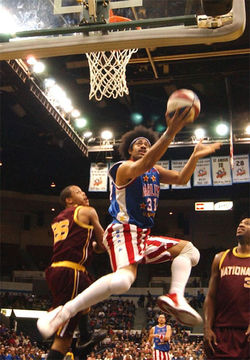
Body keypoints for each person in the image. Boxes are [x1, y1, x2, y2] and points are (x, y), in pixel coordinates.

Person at [37, 106, 221, 338]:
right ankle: (63, 312)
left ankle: (175, 295)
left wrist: (194, 156)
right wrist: (170, 132)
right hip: (122, 231)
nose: (143, 145)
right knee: (124, 281)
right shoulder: (122, 169)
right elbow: (142, 165)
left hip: (142, 235)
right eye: (139, 144)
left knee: (190, 251)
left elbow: (182, 178)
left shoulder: (153, 170)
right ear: (129, 150)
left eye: (146, 142)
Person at [38, 185, 106, 360]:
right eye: (78, 192)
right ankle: (61, 326)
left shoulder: (57, 218)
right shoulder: (87, 211)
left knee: (86, 297)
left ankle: (84, 335)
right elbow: (103, 245)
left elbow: (78, 242)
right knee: (64, 338)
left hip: (57, 270)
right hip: (71, 271)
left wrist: (91, 246)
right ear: (68, 200)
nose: (83, 193)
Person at [203, 217, 250, 359]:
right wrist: (207, 328)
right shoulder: (220, 258)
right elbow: (211, 297)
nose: (241, 224)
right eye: (240, 222)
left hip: (246, 332)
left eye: (247, 223)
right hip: (221, 332)